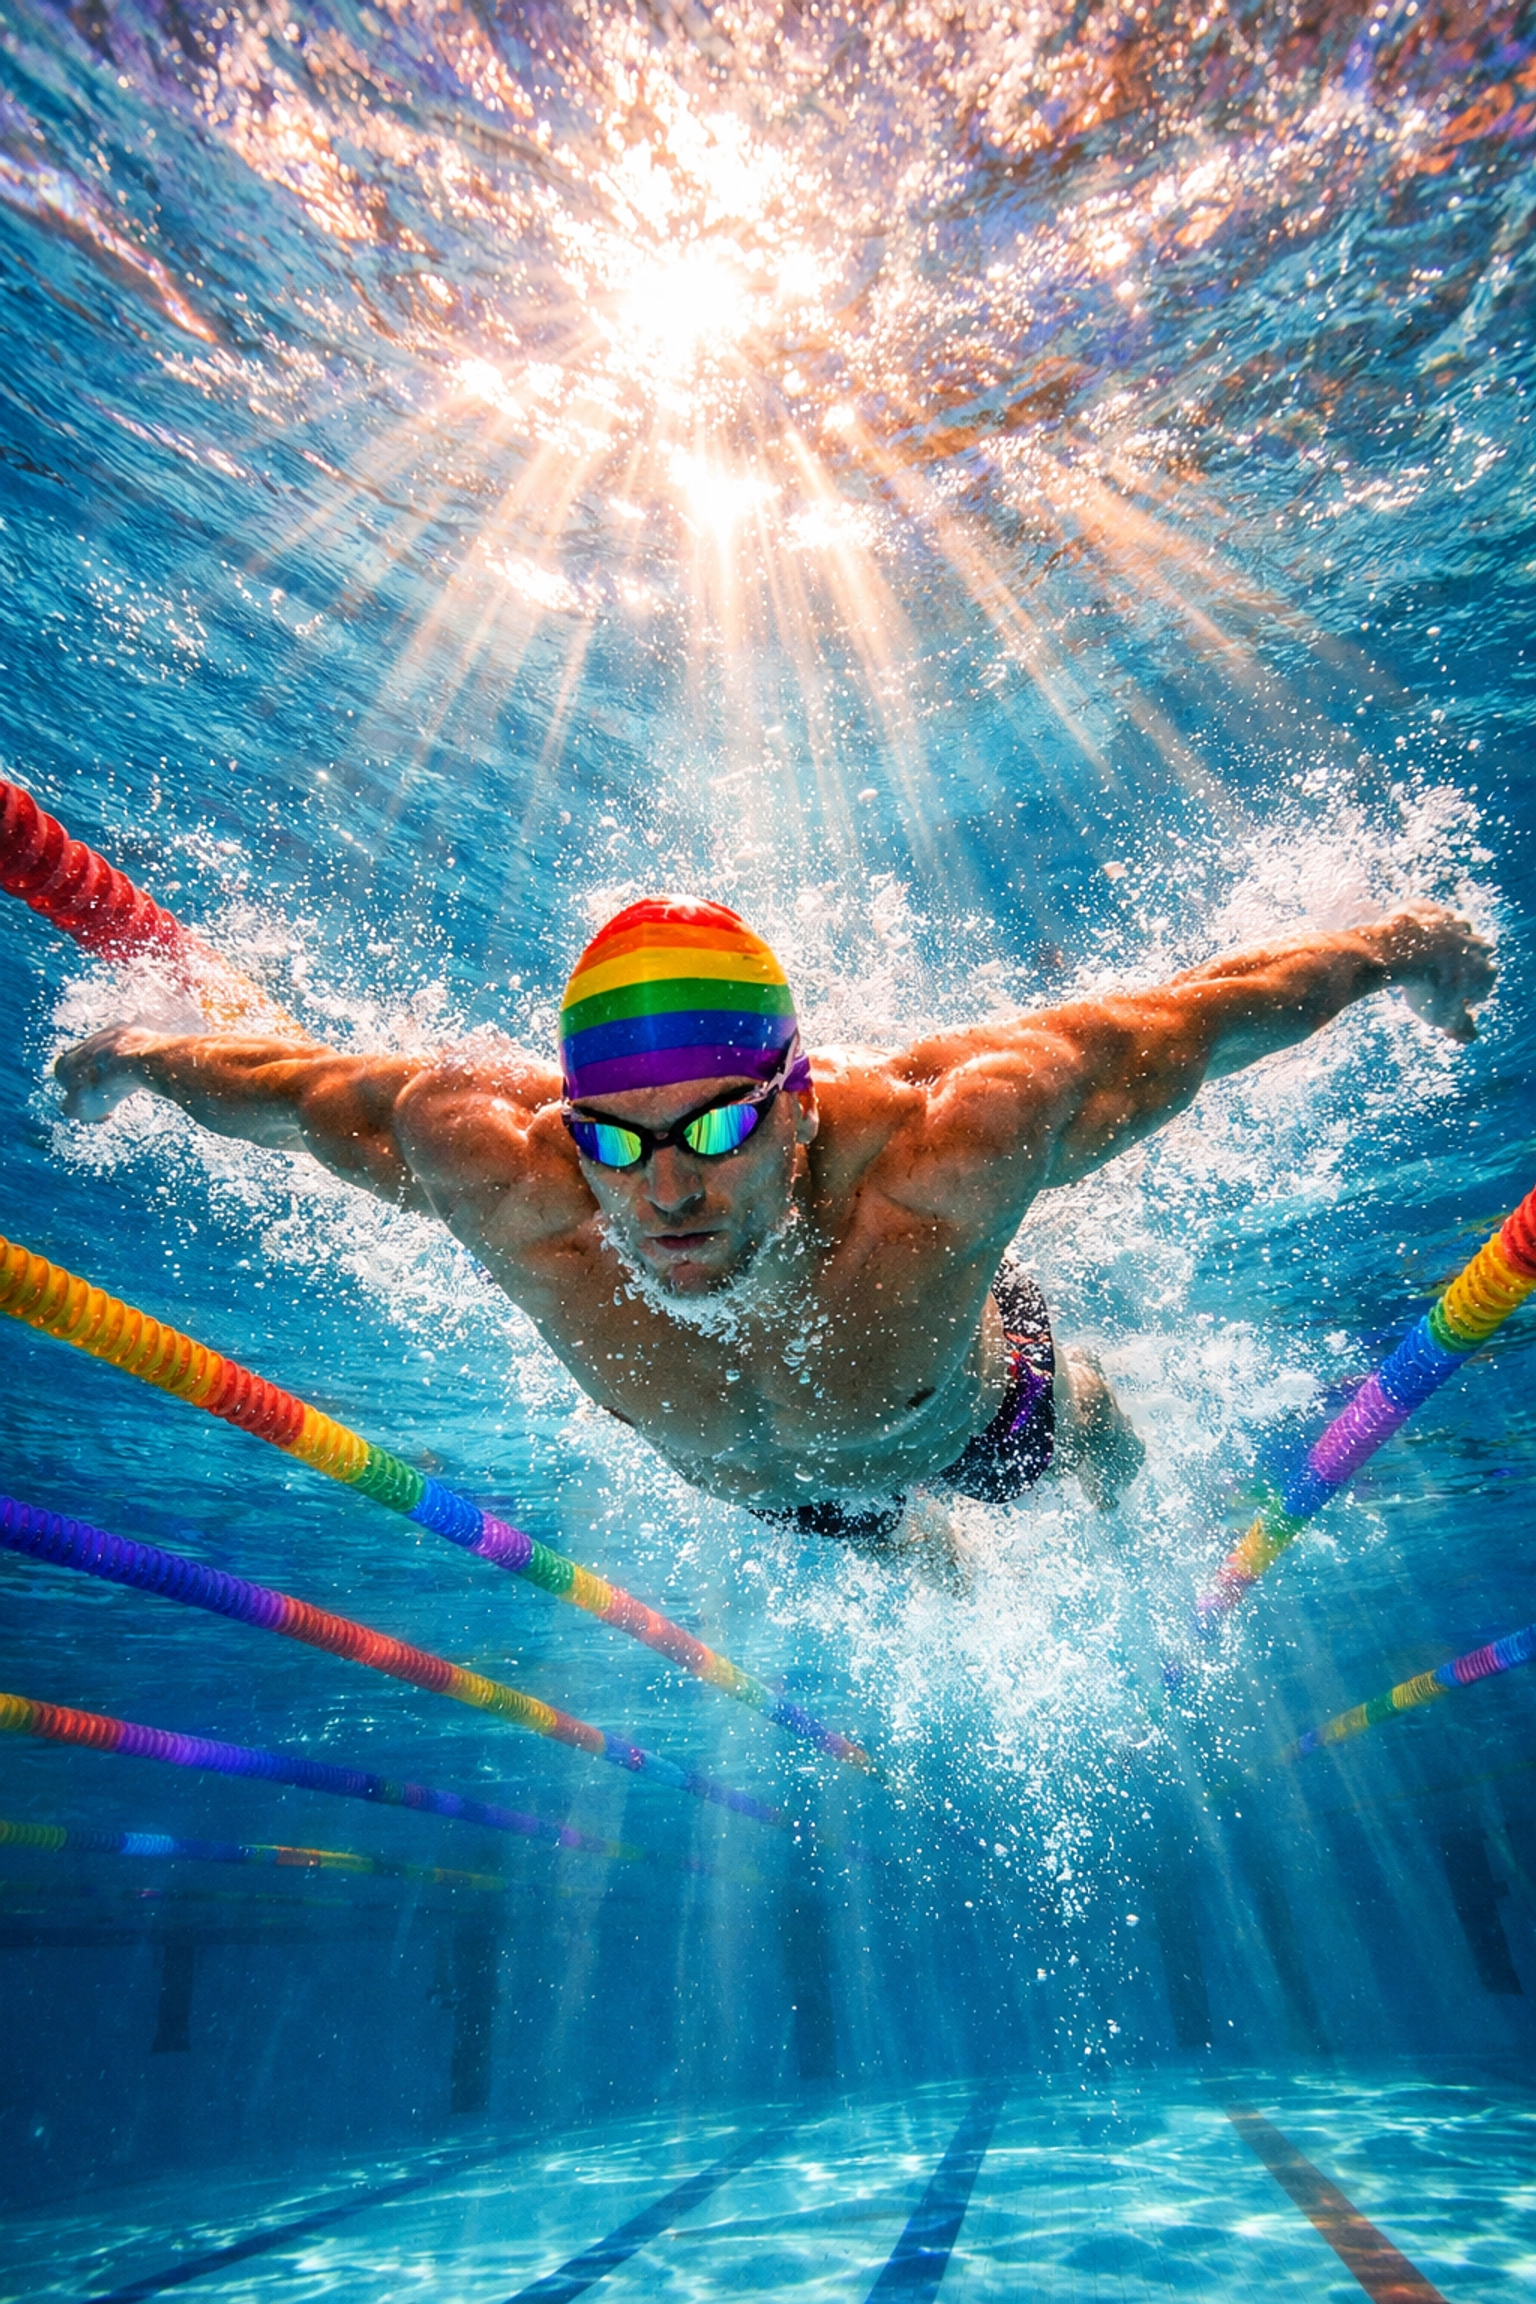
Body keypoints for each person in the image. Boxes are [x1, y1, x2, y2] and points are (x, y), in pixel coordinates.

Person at [55, 893, 1495, 1575]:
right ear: (572, 1128)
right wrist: (134, 1062)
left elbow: (1199, 1020)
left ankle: (1186, 1589)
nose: (666, 1192)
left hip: (992, 1417)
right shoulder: (495, 1170)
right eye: (620, 1139)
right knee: (928, 1578)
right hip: (789, 1499)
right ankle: (941, 1575)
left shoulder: (949, 1149)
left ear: (798, 1106)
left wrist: (1390, 957)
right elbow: (293, 1096)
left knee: (1115, 1482)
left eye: (721, 1127)